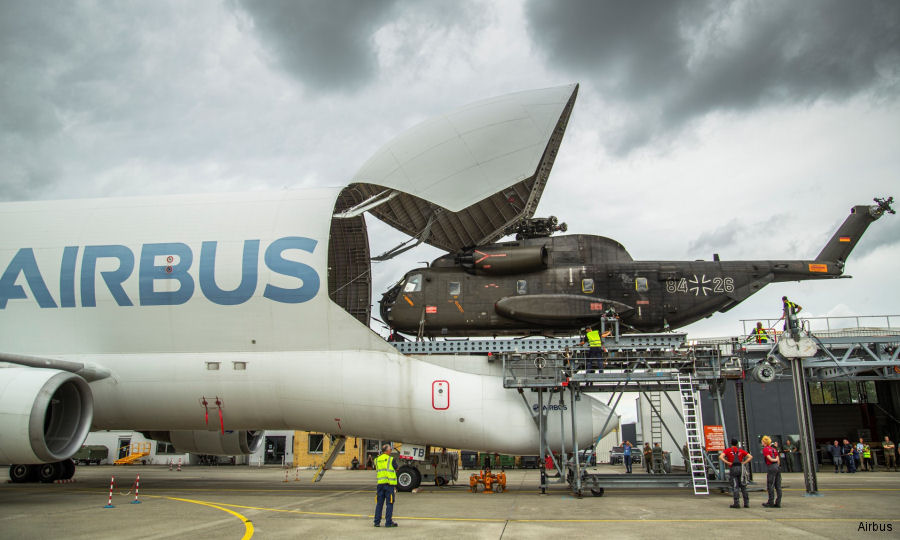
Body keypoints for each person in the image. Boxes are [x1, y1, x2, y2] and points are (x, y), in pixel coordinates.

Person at [720, 438, 753, 509]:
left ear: (731, 443)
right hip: (740, 468)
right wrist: (744, 462)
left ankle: (736, 503)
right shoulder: (740, 450)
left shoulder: (728, 450)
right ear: (737, 444)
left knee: (735, 486)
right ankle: (746, 503)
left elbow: (721, 456)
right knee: (743, 486)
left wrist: (727, 462)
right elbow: (750, 457)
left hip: (733, 468)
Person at [373, 444, 398, 528]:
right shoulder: (391, 459)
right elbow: (396, 468)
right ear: (386, 451)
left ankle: (377, 522)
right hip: (389, 485)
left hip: (380, 485)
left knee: (379, 504)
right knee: (389, 504)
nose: (391, 451)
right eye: (390, 450)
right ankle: (388, 522)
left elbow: (376, 469)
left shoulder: (376, 460)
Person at [761, 436, 782, 508]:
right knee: (778, 485)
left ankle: (770, 502)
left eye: (762, 441)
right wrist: (777, 464)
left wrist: (773, 461)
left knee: (770, 485)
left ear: (764, 442)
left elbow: (769, 459)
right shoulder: (774, 449)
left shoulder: (765, 449)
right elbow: (778, 459)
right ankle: (778, 502)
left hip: (771, 467)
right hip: (777, 467)